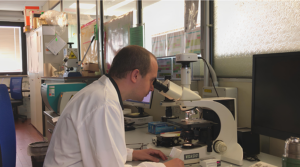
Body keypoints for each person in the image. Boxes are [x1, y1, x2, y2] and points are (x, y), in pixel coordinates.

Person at [43, 45, 184, 167]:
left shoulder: (101, 92)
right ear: (135, 75)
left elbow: (101, 149)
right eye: (151, 80)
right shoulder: (104, 104)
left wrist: (132, 154)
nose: (152, 88)